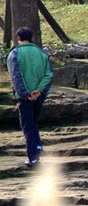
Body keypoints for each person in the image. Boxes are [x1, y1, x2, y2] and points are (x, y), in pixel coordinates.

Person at [6, 27, 54, 168]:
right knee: (33, 122)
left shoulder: (15, 54)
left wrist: (25, 94)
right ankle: (38, 148)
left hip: (24, 97)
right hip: (39, 96)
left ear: (18, 38)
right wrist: (39, 91)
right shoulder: (42, 54)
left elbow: (16, 76)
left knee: (27, 126)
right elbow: (49, 74)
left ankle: (33, 157)